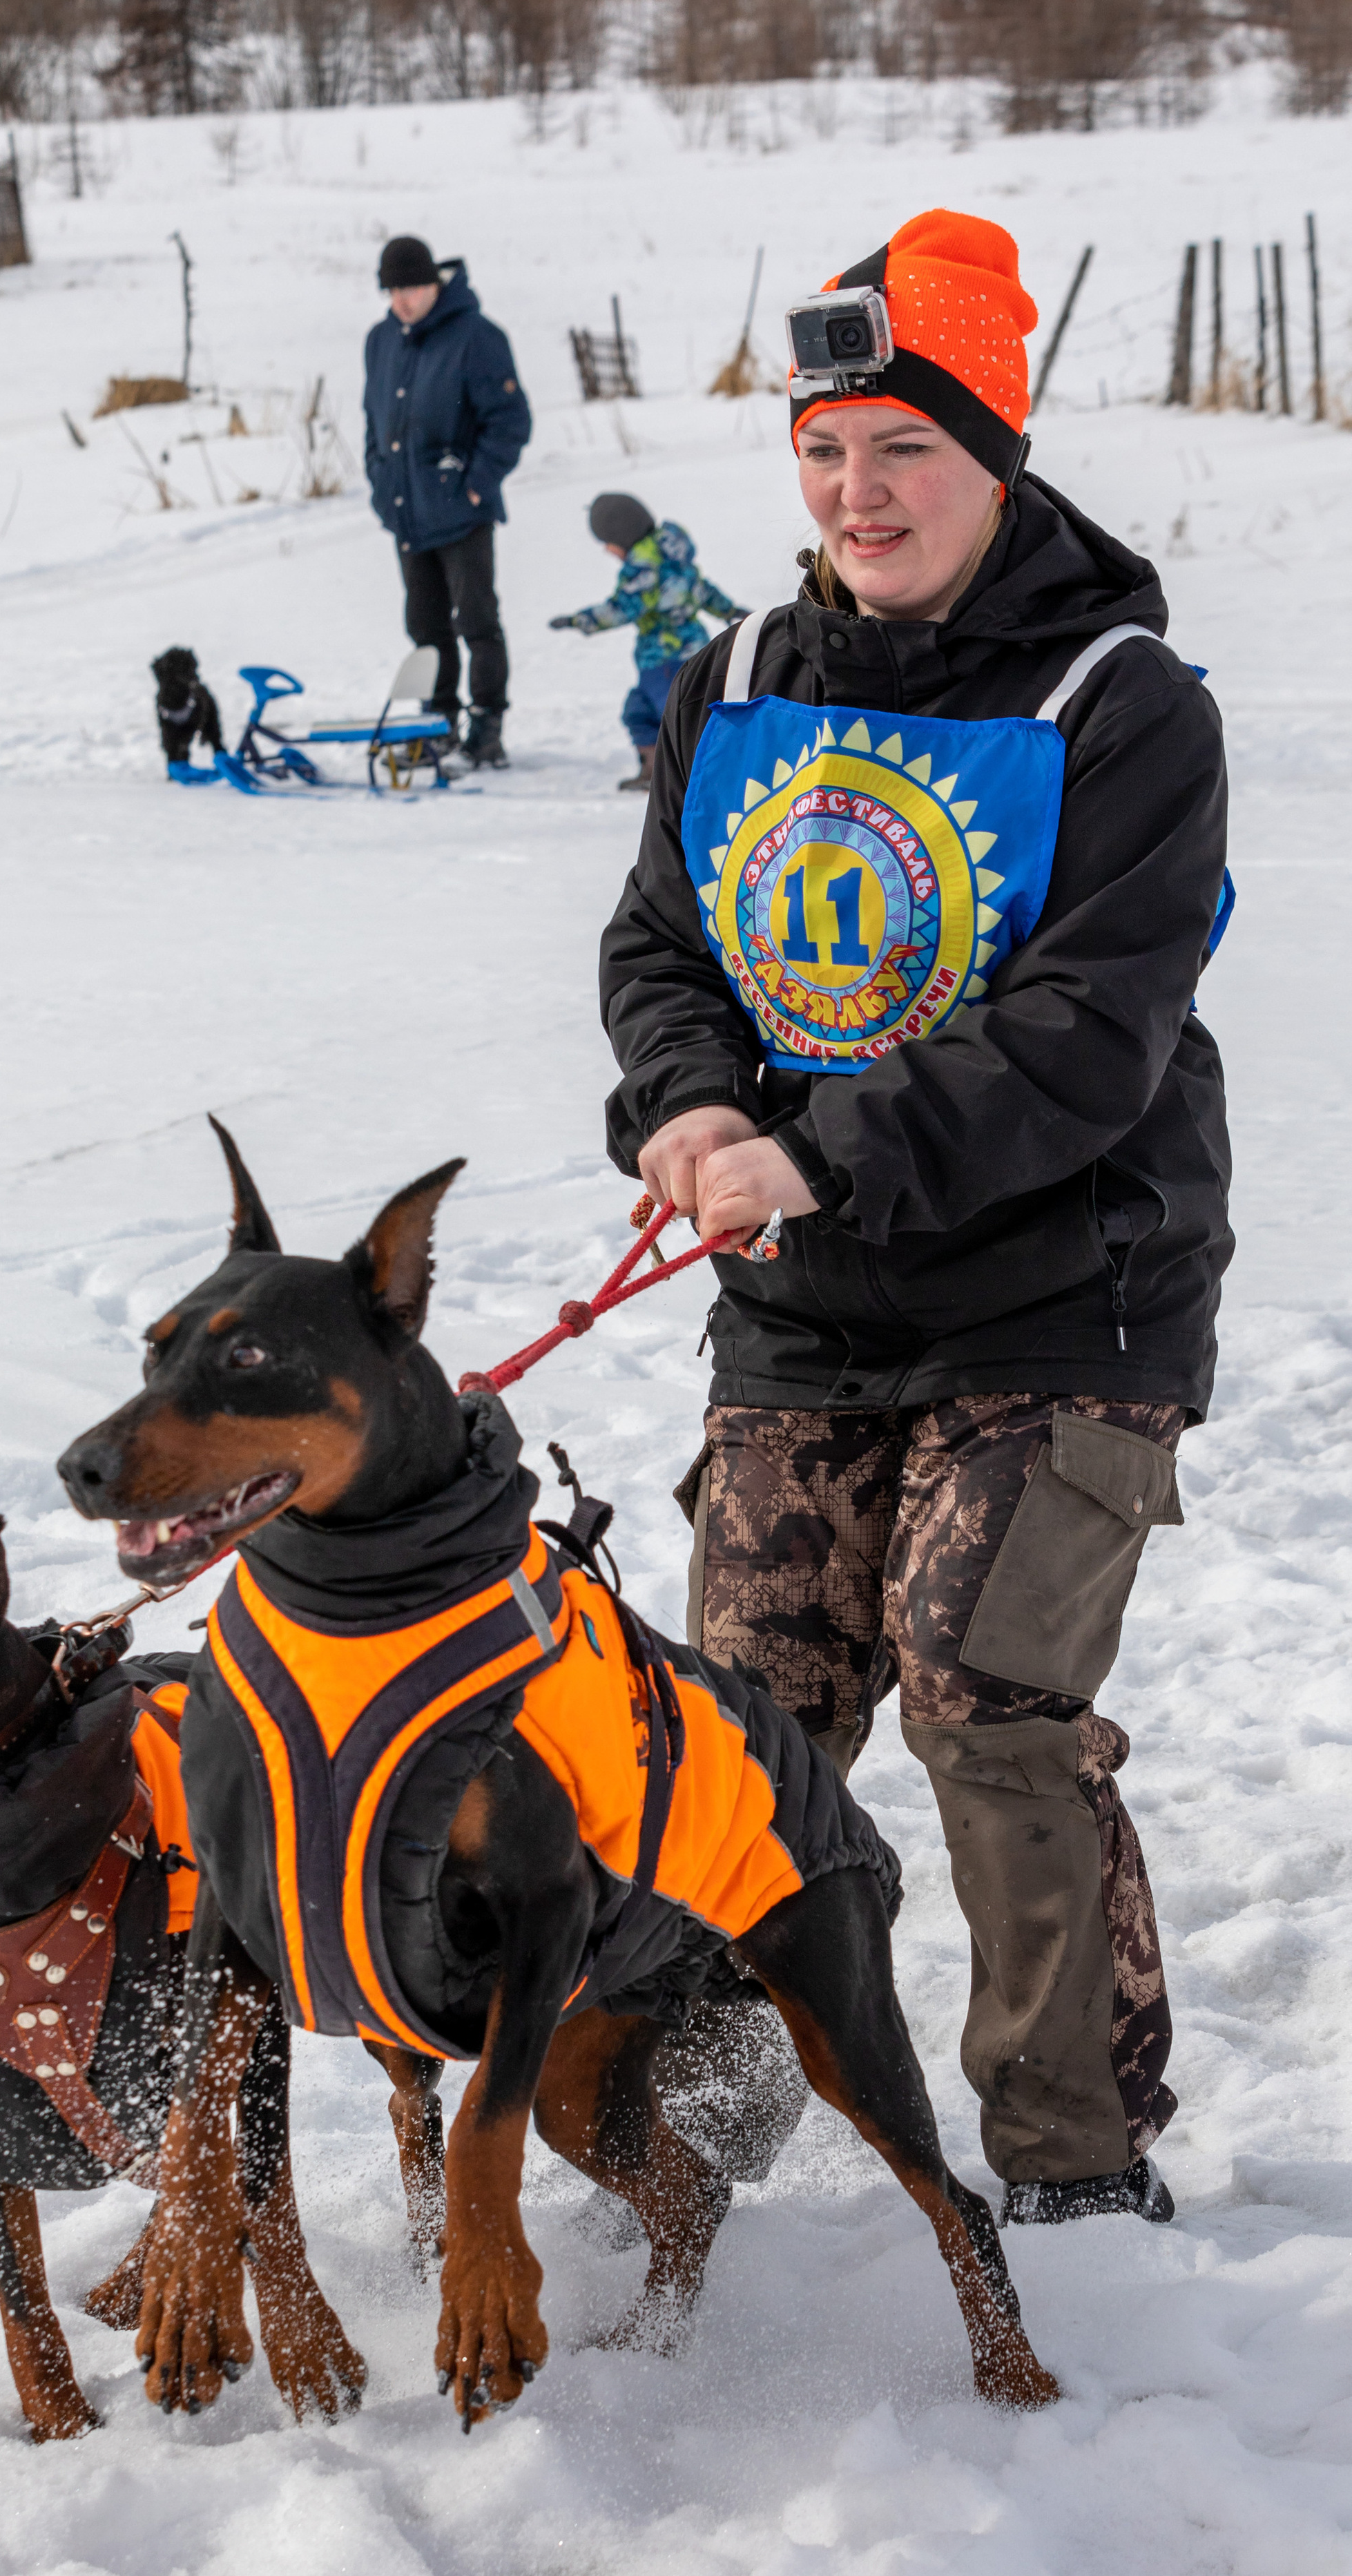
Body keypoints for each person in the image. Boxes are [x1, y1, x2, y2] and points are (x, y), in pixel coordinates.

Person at [599, 209, 1233, 2229]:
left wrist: (826, 1148)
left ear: (997, 456)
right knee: (736, 1737)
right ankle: (696, 2122)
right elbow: (657, 945)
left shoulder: (1119, 702)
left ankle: (1067, 2154)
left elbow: (1086, 1029)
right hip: (802, 1293)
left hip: (1069, 1294)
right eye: (821, 449)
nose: (854, 493)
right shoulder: (737, 678)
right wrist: (693, 1102)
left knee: (978, 1688)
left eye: (903, 449)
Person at [363, 236, 532, 772]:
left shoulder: (477, 337)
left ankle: (487, 727)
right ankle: (437, 724)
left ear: (434, 282)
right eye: (391, 290)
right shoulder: (381, 340)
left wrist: (475, 483)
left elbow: (510, 421)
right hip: (407, 510)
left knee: (477, 620)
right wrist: (378, 477)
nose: (401, 300)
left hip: (462, 513)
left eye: (410, 287)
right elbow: (373, 420)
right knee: (425, 625)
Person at [550, 494, 743, 794]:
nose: (606, 549)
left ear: (622, 535)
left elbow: (623, 608)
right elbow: (703, 591)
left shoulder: (645, 568)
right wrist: (729, 610)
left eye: (607, 541)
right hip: (678, 656)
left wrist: (579, 621)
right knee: (639, 712)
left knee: (681, 720)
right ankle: (655, 770)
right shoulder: (674, 558)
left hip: (667, 659)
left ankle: (702, 780)